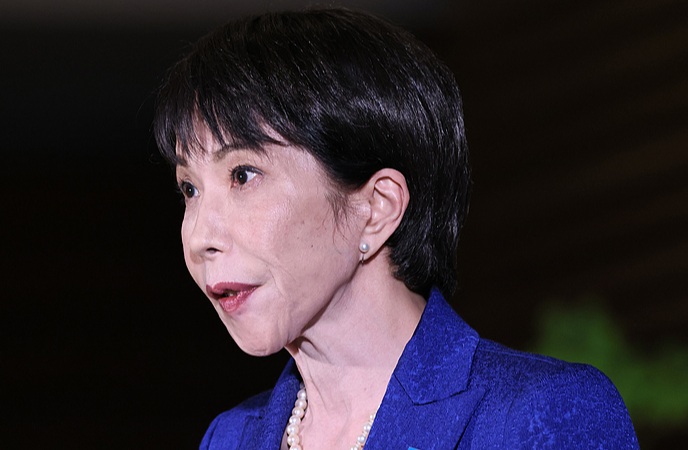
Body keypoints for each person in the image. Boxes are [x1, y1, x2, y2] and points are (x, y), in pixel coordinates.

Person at [153, 8, 639, 450]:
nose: (199, 238)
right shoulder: (230, 438)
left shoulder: (539, 416)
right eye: (189, 190)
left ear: (377, 207)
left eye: (243, 175)